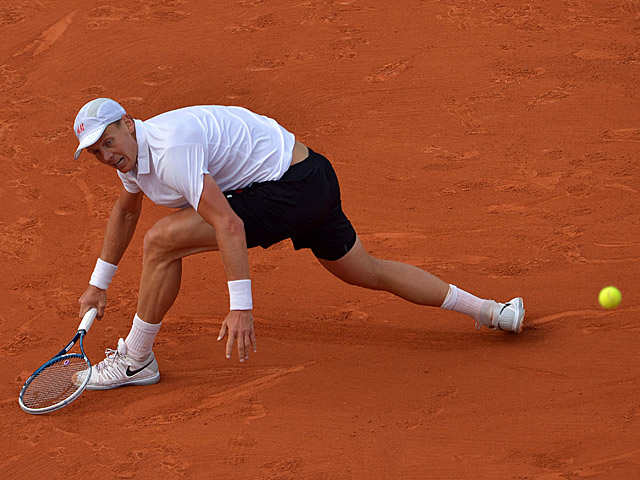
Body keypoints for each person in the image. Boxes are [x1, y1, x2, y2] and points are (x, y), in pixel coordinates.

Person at [73, 98, 525, 390]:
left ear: (128, 124)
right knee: (367, 271)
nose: (106, 156)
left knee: (161, 240)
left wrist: (241, 307)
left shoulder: (172, 149)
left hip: (287, 188)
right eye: (96, 152)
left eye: (108, 142)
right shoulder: (133, 156)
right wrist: (98, 284)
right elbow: (125, 211)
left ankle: (136, 358)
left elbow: (228, 224)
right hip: (313, 178)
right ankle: (490, 311)